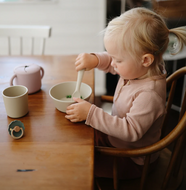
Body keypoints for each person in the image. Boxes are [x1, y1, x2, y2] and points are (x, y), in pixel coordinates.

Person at [65, 7, 186, 179]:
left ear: (145, 60)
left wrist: (91, 113)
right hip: (115, 139)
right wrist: (96, 59)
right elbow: (114, 60)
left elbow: (130, 131)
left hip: (132, 159)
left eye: (118, 60)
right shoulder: (139, 69)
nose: (112, 63)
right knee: (75, 138)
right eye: (112, 56)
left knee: (79, 166)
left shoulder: (149, 95)